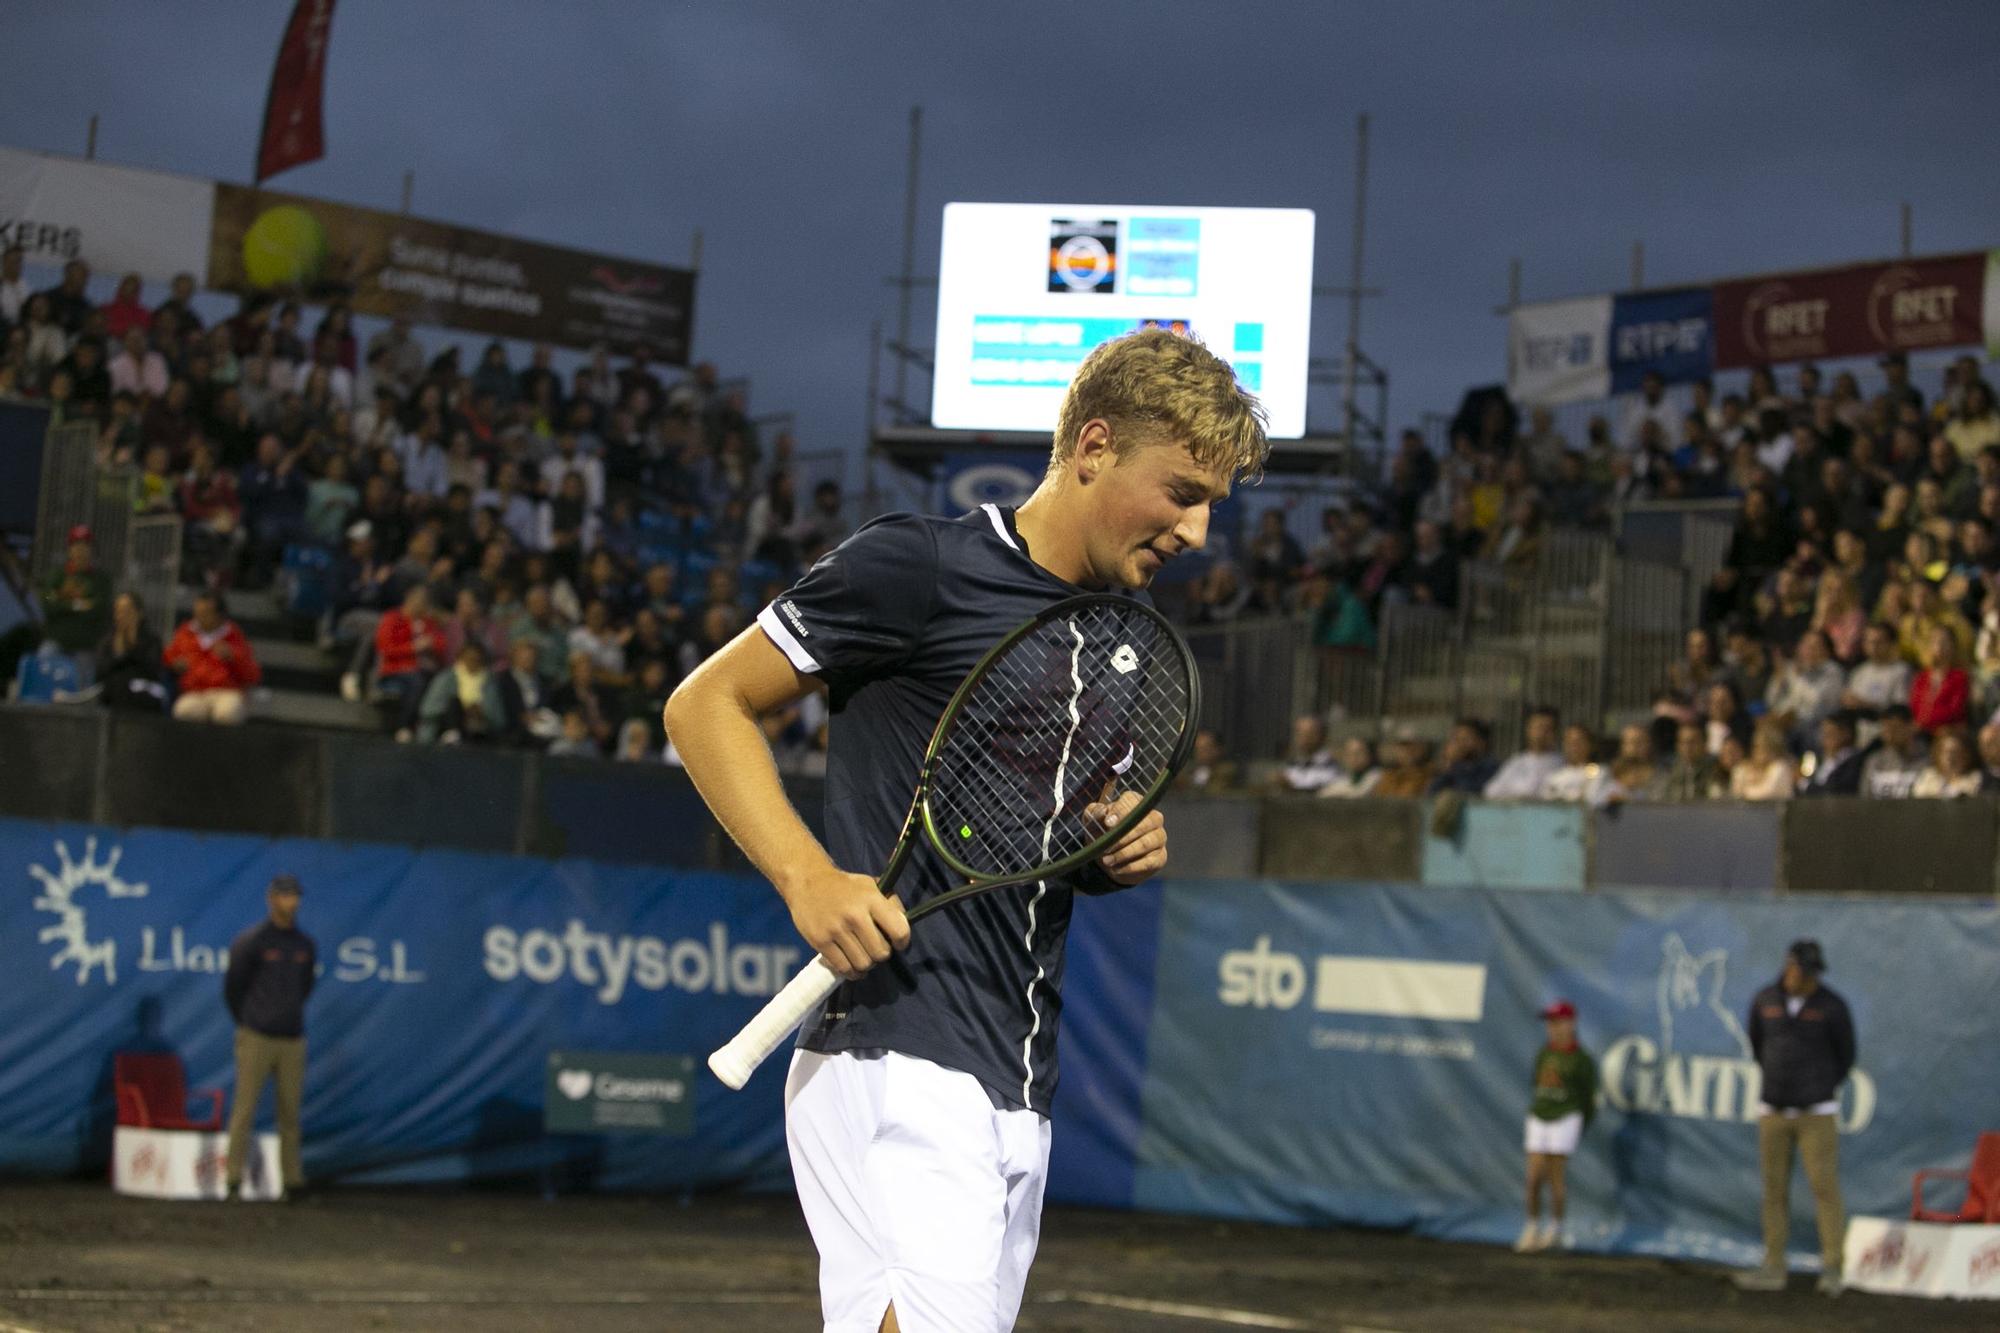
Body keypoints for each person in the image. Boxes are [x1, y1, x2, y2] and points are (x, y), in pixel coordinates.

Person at [663, 328, 1262, 1333]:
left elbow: (1042, 831)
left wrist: (1110, 845)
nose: (1198, 532)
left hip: (1018, 1084)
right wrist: (809, 879)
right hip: (898, 1055)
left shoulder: (1121, 634)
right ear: (1094, 446)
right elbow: (703, 704)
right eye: (1182, 492)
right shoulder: (918, 566)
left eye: (1211, 505)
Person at [1733, 941, 1855, 1297]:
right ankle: (1773, 1265)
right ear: (1791, 968)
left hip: (1816, 1114)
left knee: (1824, 1188)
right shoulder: (1765, 1001)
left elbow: (1846, 1056)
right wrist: (1780, 1086)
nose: (1808, 979)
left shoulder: (1832, 1006)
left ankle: (1833, 1267)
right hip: (1773, 1110)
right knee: (1773, 1191)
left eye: (1813, 973)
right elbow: (1758, 1045)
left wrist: (1816, 1090)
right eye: (1805, 971)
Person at [222, 874, 316, 1201]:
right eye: (285, 896)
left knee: (290, 1113)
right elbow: (234, 988)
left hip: (292, 1040)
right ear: (272, 899)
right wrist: (250, 1022)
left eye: (295, 896)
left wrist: (286, 1016)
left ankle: (292, 1182)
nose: (291, 902)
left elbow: (304, 987)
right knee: (244, 1109)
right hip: (256, 1037)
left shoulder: (305, 945)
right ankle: (232, 1181)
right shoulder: (252, 941)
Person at [1516, 1000, 1596, 1254]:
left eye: (1557, 1022)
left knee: (1555, 1178)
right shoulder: (1545, 1053)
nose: (1552, 1027)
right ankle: (1531, 1228)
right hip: (1539, 1116)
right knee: (1532, 1179)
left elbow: (1587, 1098)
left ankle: (1556, 1230)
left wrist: (1577, 1122)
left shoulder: (1582, 1060)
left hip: (1566, 1118)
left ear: (1571, 1024)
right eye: (1549, 1023)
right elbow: (1535, 1083)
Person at [163, 591, 260, 724]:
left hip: (226, 692)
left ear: (219, 615)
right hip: (194, 692)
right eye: (197, 613)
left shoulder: (234, 636)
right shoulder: (185, 633)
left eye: (205, 614)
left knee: (227, 712)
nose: (199, 617)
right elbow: (168, 658)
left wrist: (233, 657)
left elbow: (252, 675)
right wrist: (174, 664)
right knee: (184, 710)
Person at [1483, 707, 1563, 799]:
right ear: (1528, 729)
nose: (1541, 733)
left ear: (1555, 732)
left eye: (1547, 728)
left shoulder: (1561, 763)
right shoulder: (1517, 761)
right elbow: (1491, 791)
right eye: (1538, 727)